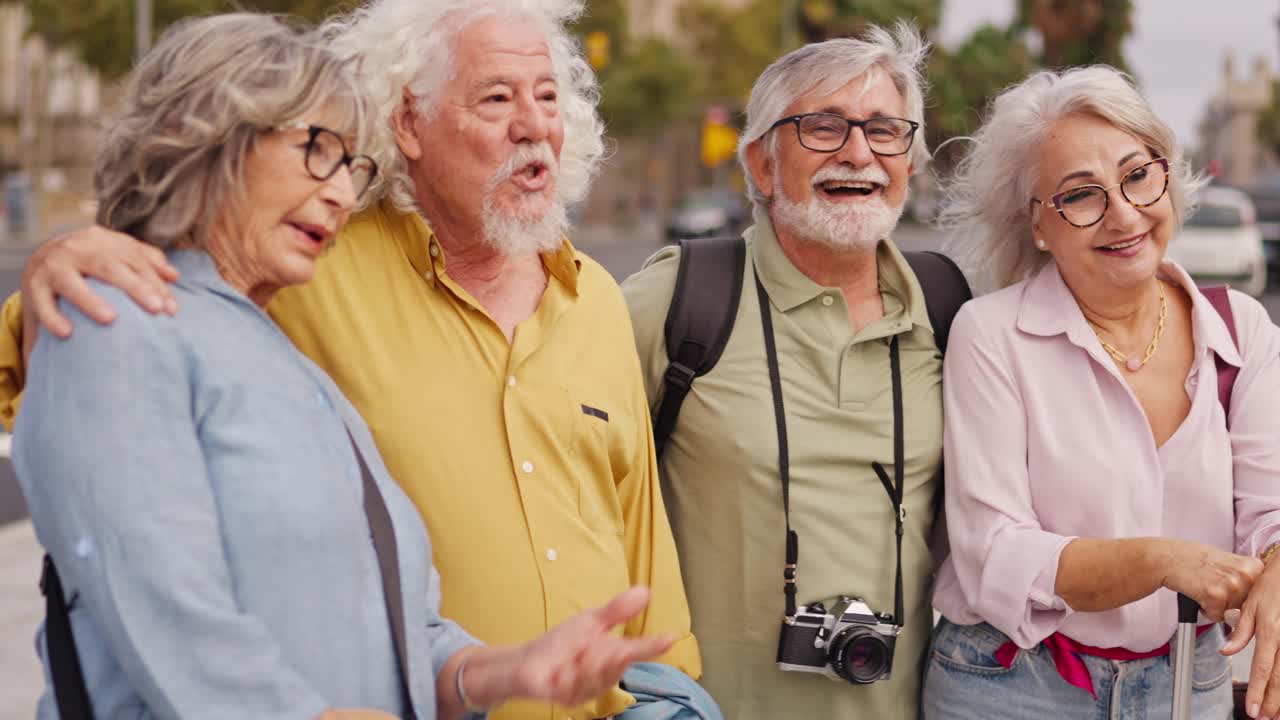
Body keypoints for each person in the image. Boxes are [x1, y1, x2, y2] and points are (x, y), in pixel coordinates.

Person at [6, 2, 711, 719]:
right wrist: (61, 262)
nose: (341, 191)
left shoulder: (291, 360)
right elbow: (165, 613)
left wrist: (506, 671)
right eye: (317, 150)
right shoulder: (121, 317)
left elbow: (403, 628)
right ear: (203, 137)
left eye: (349, 162)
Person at [622, 22, 960, 720]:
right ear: (764, 164)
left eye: (884, 130)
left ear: (911, 160)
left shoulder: (948, 311)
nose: (858, 153)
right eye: (824, 127)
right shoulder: (681, 299)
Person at [926, 65, 1280, 719]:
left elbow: (1272, 506)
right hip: (1014, 687)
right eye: (1081, 195)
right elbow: (994, 554)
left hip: (1186, 683)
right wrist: (1160, 561)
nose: (1124, 213)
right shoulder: (994, 335)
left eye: (1138, 175)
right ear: (1038, 223)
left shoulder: (1242, 329)